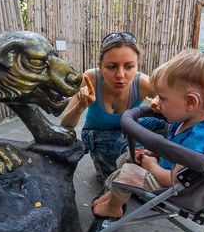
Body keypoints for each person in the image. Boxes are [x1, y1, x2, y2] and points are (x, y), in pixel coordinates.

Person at [92, 49, 204, 218]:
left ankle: (114, 207)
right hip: (169, 171)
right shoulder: (190, 119)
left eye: (163, 98)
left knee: (128, 174)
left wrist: (152, 166)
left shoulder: (200, 139)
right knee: (127, 158)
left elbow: (174, 180)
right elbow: (177, 148)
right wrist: (155, 153)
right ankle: (114, 196)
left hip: (177, 190)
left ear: (190, 102)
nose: (158, 103)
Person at [60, 32, 166, 183]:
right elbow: (65, 124)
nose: (121, 75)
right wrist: (80, 106)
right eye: (111, 66)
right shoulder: (91, 78)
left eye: (129, 66)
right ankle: (105, 161)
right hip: (98, 132)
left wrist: (161, 101)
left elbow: (178, 103)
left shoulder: (143, 82)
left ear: (137, 67)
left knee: (166, 125)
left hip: (130, 126)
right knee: (125, 165)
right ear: (100, 67)